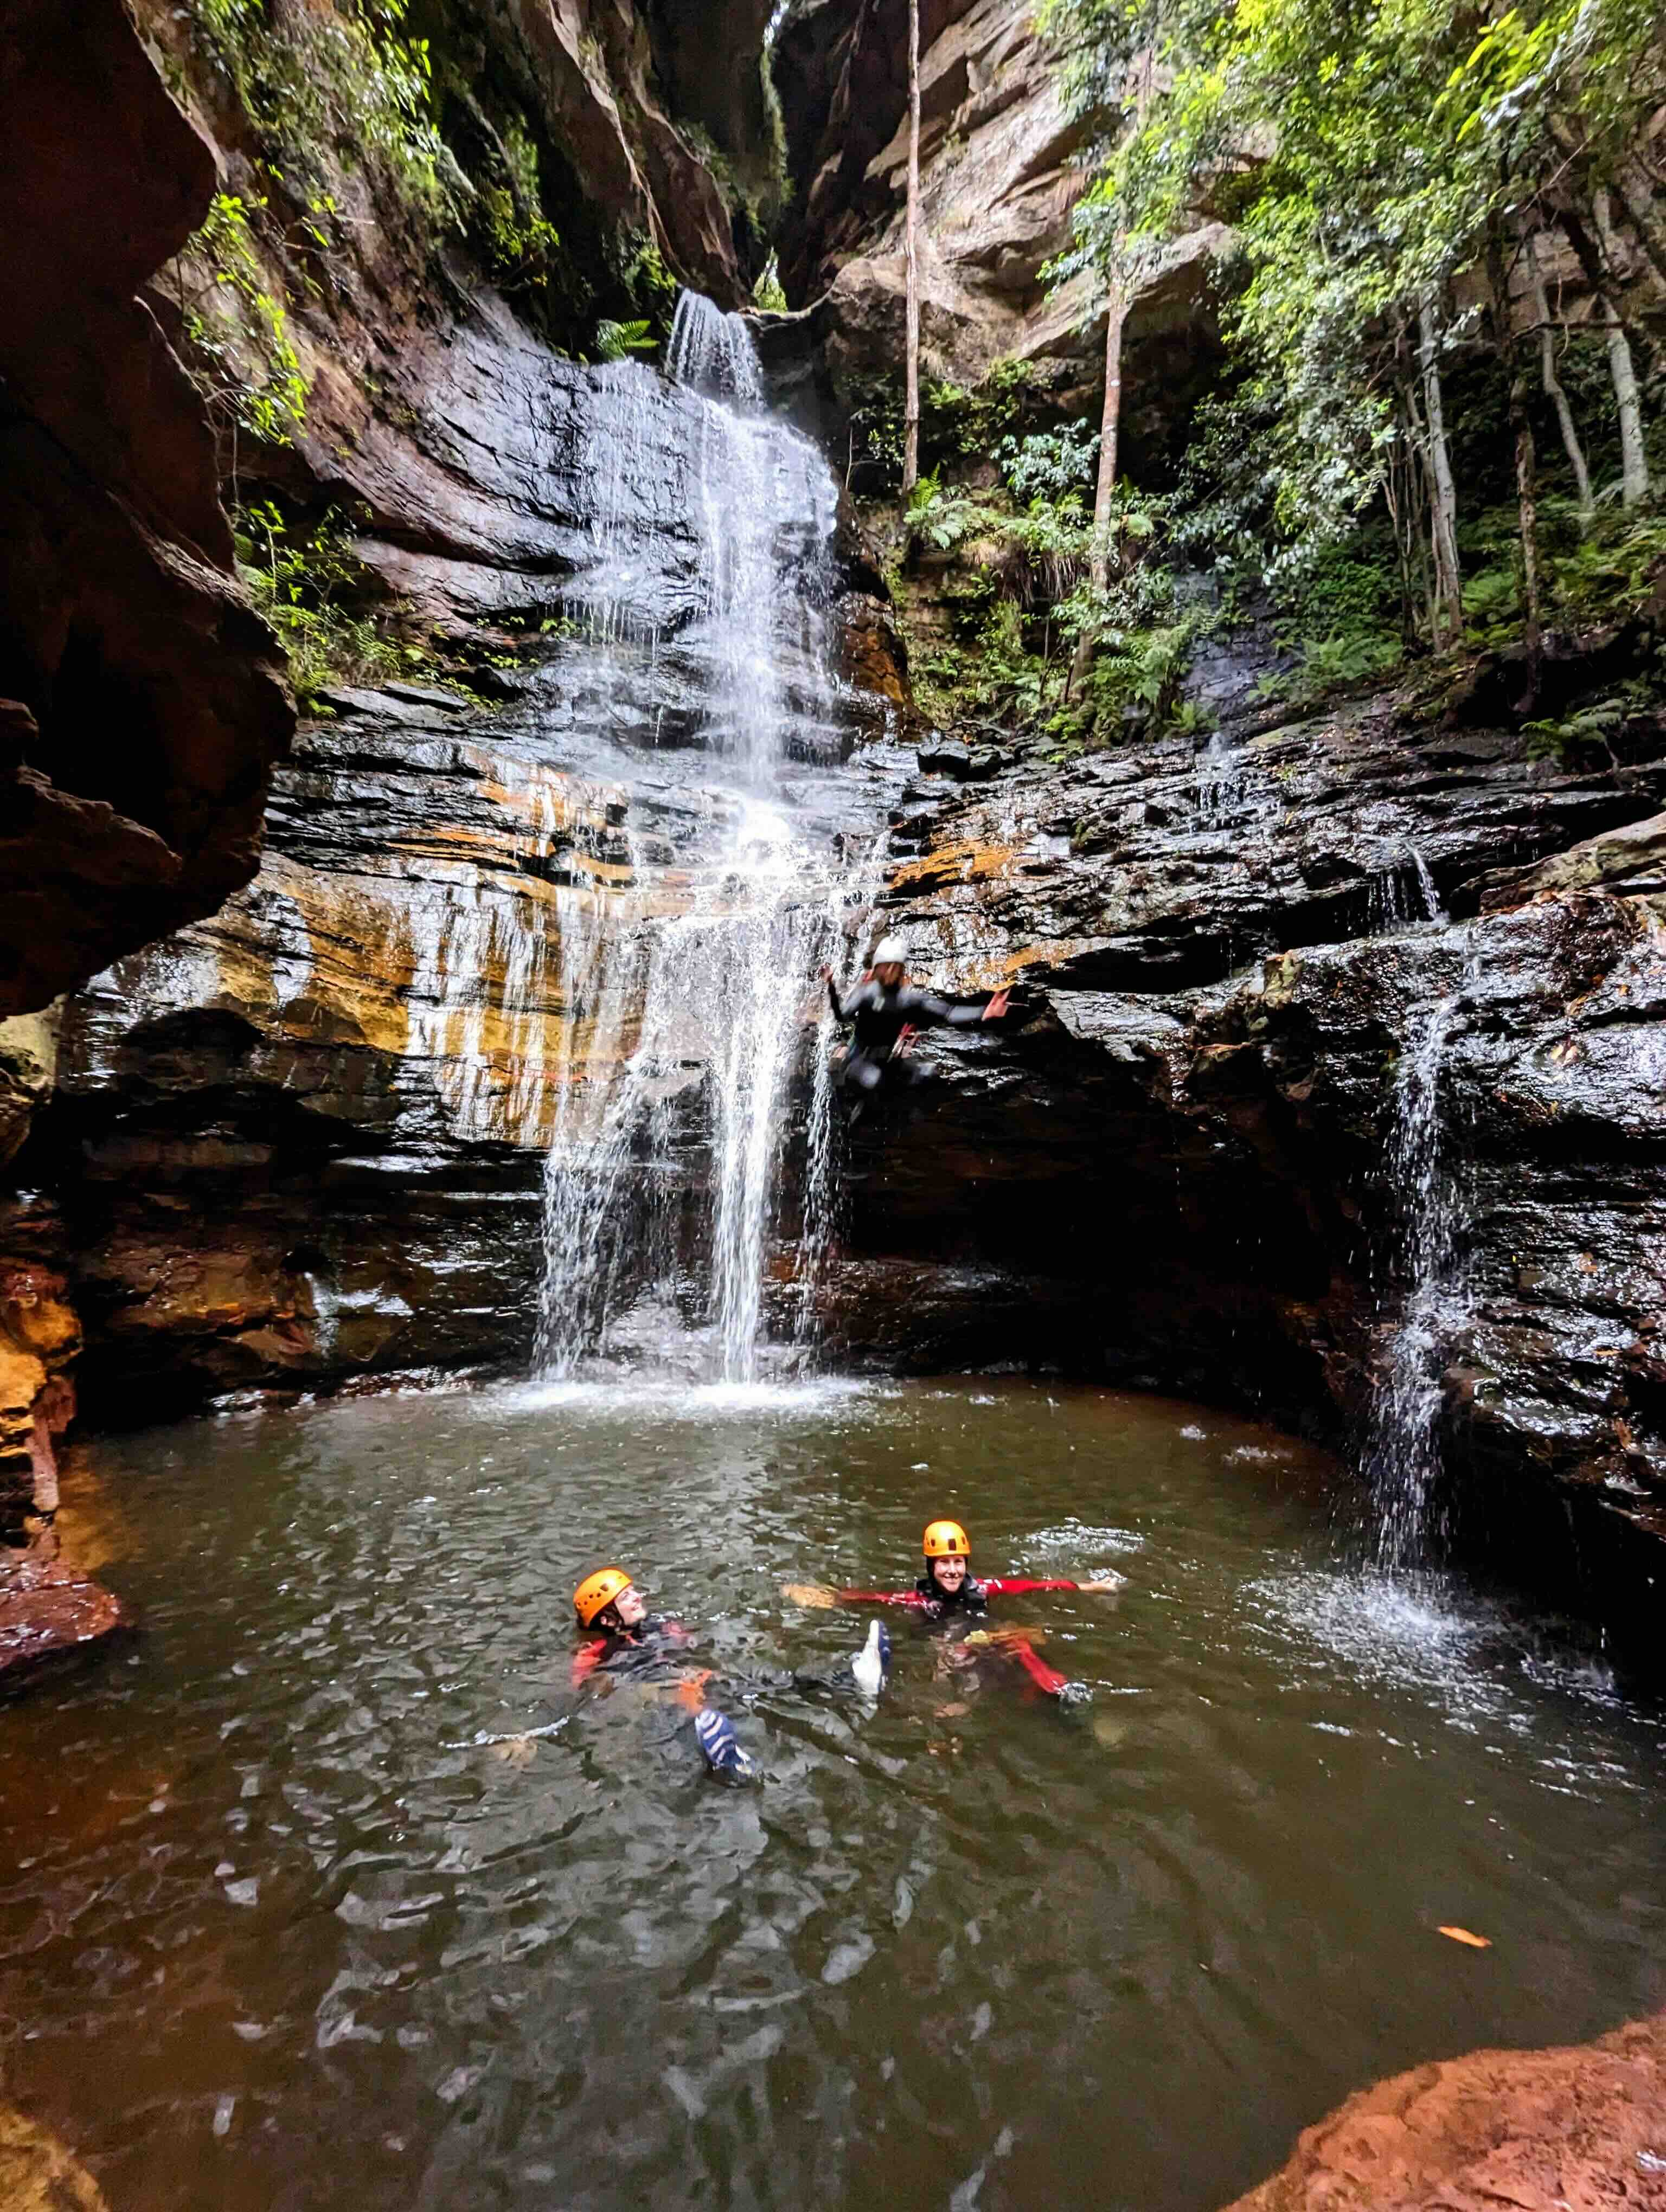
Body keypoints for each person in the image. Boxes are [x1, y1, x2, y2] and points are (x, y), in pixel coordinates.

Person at [572, 1566, 888, 1778]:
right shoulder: (594, 1653)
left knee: (759, 1682)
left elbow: (692, 1640)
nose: (638, 1596)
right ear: (609, 1620)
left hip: (686, 1676)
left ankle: (850, 1679)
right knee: (686, 1706)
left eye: (634, 1590)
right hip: (651, 1690)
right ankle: (728, 1764)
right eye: (627, 1597)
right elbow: (586, 1691)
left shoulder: (657, 1625)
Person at [784, 1520, 1122, 1705]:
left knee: (1020, 1642)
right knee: (948, 1659)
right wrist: (833, 1598)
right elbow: (877, 1597)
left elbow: (1038, 1586)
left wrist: (1091, 1587)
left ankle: (1058, 1693)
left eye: (958, 1562)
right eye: (944, 1563)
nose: (952, 1570)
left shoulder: (986, 1588)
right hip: (943, 1638)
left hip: (983, 1632)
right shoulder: (918, 1600)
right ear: (932, 1567)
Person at [820, 937, 1010, 1124]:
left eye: (895, 968)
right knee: (875, 1081)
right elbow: (841, 1017)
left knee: (928, 1076)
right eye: (886, 967)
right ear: (877, 968)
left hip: (887, 1062)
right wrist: (831, 986)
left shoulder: (910, 999)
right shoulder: (866, 994)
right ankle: (858, 1112)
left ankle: (906, 1121)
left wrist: (984, 1012)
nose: (890, 972)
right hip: (858, 1061)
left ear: (901, 970)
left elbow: (949, 1013)